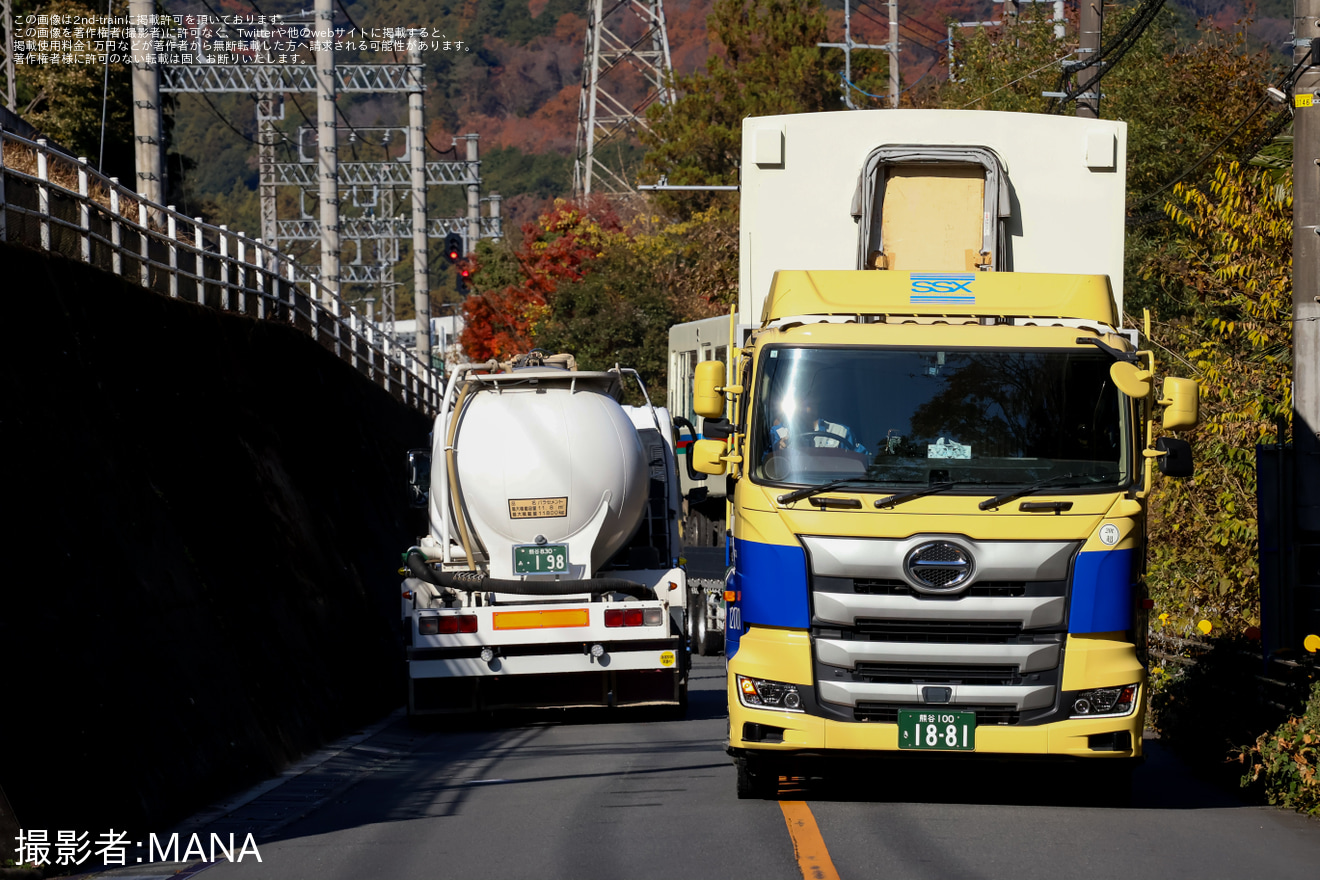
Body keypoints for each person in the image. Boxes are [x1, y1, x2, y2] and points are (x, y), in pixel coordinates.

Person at [769, 398, 868, 455]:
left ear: (815, 403)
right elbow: (764, 463)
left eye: (807, 402)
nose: (802, 408)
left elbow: (863, 461)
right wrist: (778, 449)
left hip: (835, 485)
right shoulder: (779, 431)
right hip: (788, 485)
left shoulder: (841, 432)